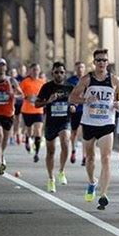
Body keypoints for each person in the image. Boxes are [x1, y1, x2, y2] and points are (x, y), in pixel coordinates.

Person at [69, 49, 119, 210]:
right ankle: (92, 182)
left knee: (106, 158)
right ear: (94, 63)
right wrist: (85, 99)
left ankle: (103, 194)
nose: (101, 63)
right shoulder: (87, 79)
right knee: (90, 159)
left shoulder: (114, 80)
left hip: (107, 122)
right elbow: (72, 97)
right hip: (89, 123)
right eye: (98, 60)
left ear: (108, 63)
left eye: (104, 60)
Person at [35, 62, 75, 192]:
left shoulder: (70, 87)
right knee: (50, 151)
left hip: (65, 121)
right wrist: (48, 101)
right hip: (51, 122)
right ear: (52, 73)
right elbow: (36, 104)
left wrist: (74, 106)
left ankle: (62, 171)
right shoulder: (47, 87)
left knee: (65, 142)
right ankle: (51, 178)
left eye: (61, 72)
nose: (59, 74)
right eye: (56, 72)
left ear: (65, 73)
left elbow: (76, 101)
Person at [0, 58, 23, 175]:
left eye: (3, 65)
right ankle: (0, 161)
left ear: (6, 68)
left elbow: (21, 94)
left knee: (5, 140)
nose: (2, 67)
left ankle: (1, 155)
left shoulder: (11, 81)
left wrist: (13, 95)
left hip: (8, 114)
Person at [19, 63, 45, 162]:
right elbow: (19, 93)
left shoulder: (42, 82)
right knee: (29, 130)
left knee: (38, 130)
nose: (35, 71)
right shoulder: (25, 82)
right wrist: (26, 97)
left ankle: (37, 153)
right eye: (33, 70)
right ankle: (27, 139)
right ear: (30, 71)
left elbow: (45, 94)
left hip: (38, 110)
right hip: (27, 110)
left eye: (37, 69)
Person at [67, 61, 87, 166]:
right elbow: (68, 94)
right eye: (78, 67)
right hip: (75, 109)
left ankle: (84, 156)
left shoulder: (88, 80)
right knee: (74, 132)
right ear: (75, 68)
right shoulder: (71, 81)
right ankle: (73, 150)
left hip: (85, 110)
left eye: (82, 67)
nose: (80, 69)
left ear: (84, 69)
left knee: (84, 133)